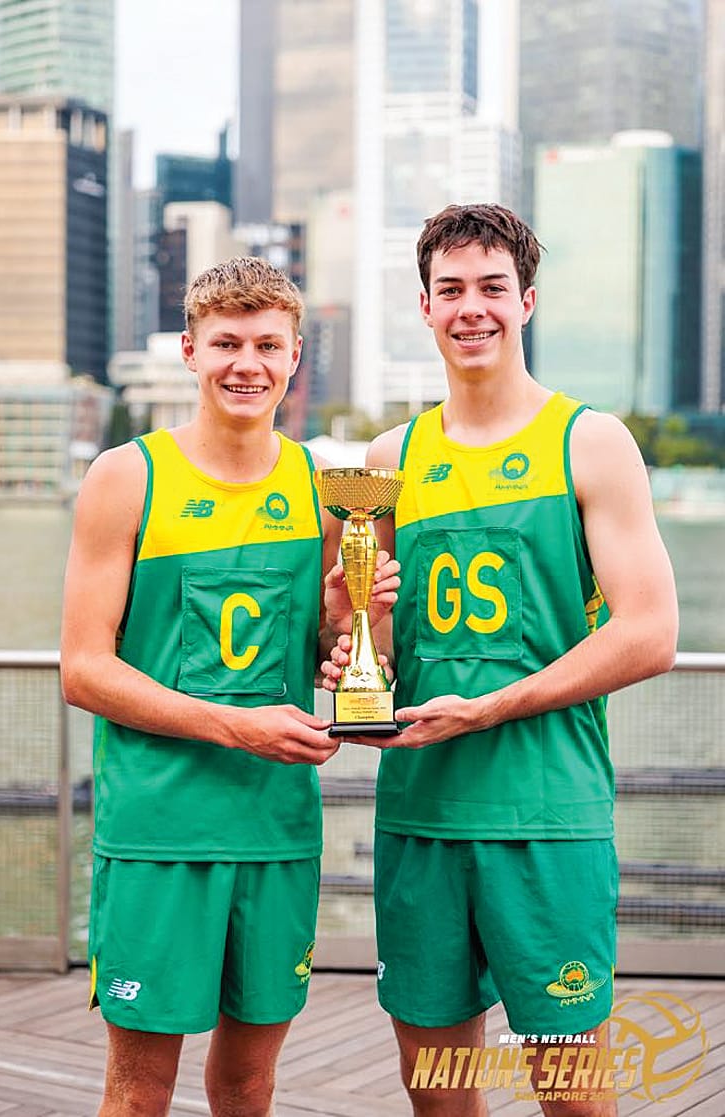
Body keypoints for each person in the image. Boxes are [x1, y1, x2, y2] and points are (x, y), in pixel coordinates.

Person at [322, 204, 678, 1117]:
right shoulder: (390, 457)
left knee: (571, 1094)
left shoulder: (588, 441)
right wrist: (351, 630)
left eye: (491, 287)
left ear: (526, 301)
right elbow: (378, 652)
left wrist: (488, 707)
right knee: (439, 1093)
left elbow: (649, 632)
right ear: (425, 306)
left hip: (547, 816)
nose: (471, 307)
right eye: (451, 290)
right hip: (422, 816)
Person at [60, 256, 398, 1117]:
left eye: (267, 345)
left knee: (248, 1084)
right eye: (226, 344)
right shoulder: (126, 476)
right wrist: (234, 726)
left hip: (277, 829)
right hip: (157, 830)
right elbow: (84, 669)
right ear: (190, 351)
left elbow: (329, 655)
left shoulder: (323, 490)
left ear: (295, 357)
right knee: (139, 1089)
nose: (247, 364)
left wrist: (346, 624)